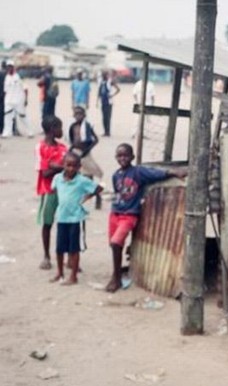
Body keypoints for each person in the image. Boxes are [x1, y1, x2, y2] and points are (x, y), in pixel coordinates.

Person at [105, 143, 187, 292]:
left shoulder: (138, 172)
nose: (122, 158)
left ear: (132, 157)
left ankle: (116, 279)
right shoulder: (116, 175)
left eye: (126, 155)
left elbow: (155, 173)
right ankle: (115, 273)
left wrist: (174, 172)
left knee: (116, 243)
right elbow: (118, 194)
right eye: (119, 155)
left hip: (129, 215)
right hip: (115, 213)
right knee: (114, 244)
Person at [50, 152, 103, 285]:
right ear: (63, 165)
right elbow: (55, 190)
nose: (71, 169)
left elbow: (99, 188)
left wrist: (87, 197)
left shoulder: (82, 181)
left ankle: (73, 276)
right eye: (68, 165)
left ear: (79, 167)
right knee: (59, 248)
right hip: (62, 217)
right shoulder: (57, 178)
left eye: (74, 166)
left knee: (74, 249)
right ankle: (60, 273)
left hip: (76, 219)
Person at [36, 115, 68, 269]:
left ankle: (68, 255)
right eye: (59, 128)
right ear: (51, 129)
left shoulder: (62, 148)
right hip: (48, 190)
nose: (61, 131)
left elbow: (70, 169)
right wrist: (61, 168)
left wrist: (54, 166)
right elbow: (45, 173)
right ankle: (46, 255)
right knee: (47, 223)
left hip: (64, 190)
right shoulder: (41, 147)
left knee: (67, 222)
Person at [68, 105, 104, 209]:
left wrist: (87, 150)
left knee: (89, 176)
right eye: (76, 114)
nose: (78, 116)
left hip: (85, 154)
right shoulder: (73, 126)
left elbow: (95, 140)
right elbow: (72, 140)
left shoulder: (87, 126)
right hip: (76, 153)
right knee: (76, 176)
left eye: (80, 114)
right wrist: (71, 150)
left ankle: (97, 197)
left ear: (84, 115)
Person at [2, 61, 33, 138]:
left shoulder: (19, 76)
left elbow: (25, 89)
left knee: (23, 116)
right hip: (9, 101)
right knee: (7, 117)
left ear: (13, 67)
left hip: (19, 100)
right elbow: (5, 90)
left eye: (10, 66)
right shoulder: (7, 77)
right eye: (8, 67)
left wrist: (26, 100)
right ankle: (6, 133)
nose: (9, 68)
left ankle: (30, 131)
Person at [97, 70, 120, 137]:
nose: (104, 76)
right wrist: (97, 101)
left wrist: (112, 95)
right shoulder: (101, 82)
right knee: (104, 117)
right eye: (103, 75)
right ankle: (105, 131)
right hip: (103, 102)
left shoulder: (110, 82)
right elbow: (99, 92)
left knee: (108, 117)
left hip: (109, 102)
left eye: (105, 75)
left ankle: (108, 131)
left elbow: (118, 89)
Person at [0, 61, 7, 136]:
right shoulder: (8, 74)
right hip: (8, 96)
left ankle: (1, 129)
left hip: (1, 96)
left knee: (1, 113)